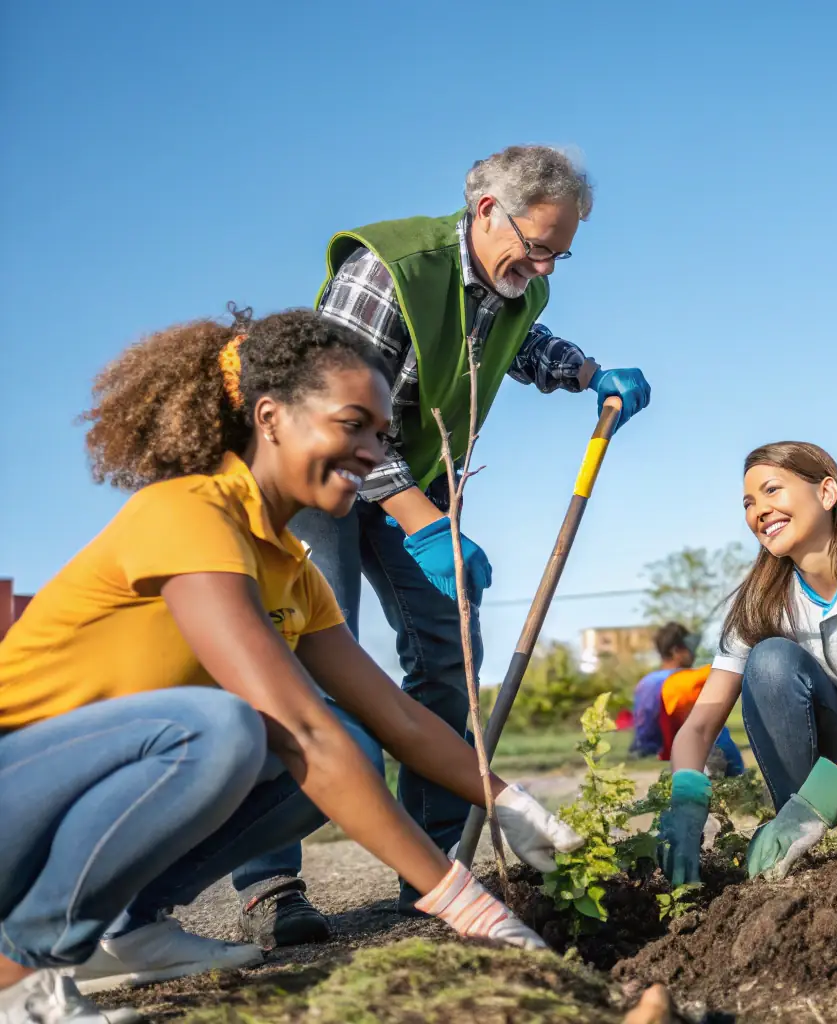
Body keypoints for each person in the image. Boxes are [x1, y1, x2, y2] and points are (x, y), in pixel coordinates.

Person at [0, 309, 583, 1023]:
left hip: (44, 816)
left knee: (353, 744)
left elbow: (395, 716)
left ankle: (119, 930)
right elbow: (298, 731)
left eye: (381, 433)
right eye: (352, 424)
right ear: (271, 417)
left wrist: (508, 801)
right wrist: (468, 905)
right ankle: (16, 971)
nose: (373, 450)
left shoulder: (289, 567)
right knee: (222, 731)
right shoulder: (187, 512)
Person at [233, 144, 654, 944]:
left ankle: (431, 865)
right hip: (315, 472)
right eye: (537, 246)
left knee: (445, 650)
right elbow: (336, 408)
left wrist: (588, 373)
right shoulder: (390, 270)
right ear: (487, 211)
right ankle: (272, 885)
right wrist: (426, 522)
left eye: (561, 253)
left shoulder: (511, 285)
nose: (546, 266)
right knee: (299, 657)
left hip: (409, 477)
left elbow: (524, 340)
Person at [656, 442, 837, 886]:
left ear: (828, 492)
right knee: (770, 661)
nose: (759, 510)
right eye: (749, 503)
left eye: (772, 490)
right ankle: (794, 838)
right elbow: (700, 725)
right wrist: (685, 797)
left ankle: (811, 814)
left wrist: (819, 804)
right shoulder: (761, 598)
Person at [628, 622, 745, 777]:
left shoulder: (645, 682)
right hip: (686, 752)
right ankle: (737, 774)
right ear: (676, 651)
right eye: (689, 649)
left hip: (649, 748)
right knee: (715, 729)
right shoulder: (685, 681)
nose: (694, 654)